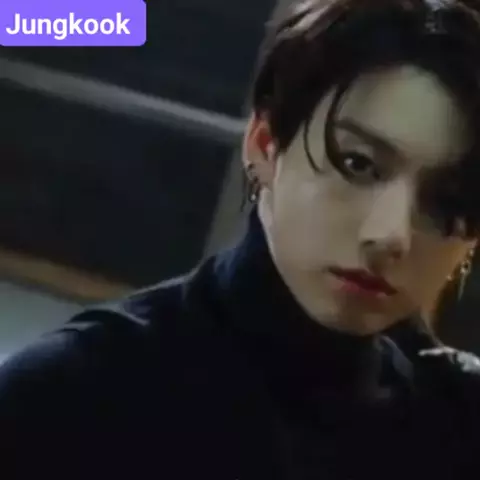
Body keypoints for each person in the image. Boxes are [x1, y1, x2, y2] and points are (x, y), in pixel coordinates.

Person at [2, 0, 480, 478]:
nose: (391, 235)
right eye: (358, 164)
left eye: (445, 199)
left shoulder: (455, 425)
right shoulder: (73, 396)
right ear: (265, 145)